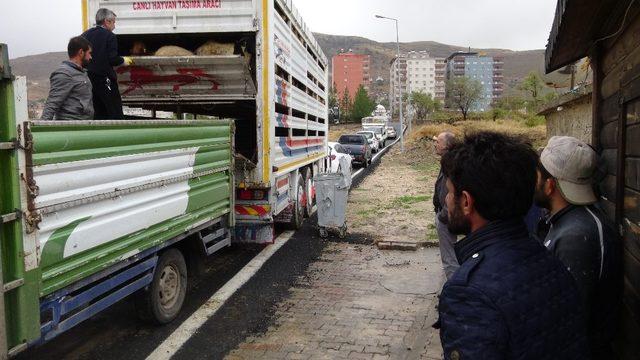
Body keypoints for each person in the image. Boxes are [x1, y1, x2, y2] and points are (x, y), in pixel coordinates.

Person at [436, 132, 588, 359]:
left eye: (449, 192)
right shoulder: (547, 257)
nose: (447, 200)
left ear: (466, 202)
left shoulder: (469, 293)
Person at [535, 136, 622, 359]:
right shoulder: (572, 221)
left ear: (550, 185)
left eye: (537, 176)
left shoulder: (575, 236)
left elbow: (566, 320)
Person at [82, 8, 133, 119]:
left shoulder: (85, 34)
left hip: (88, 79)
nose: (114, 25)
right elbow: (112, 59)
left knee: (97, 110)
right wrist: (123, 61)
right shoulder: (110, 36)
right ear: (107, 21)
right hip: (105, 79)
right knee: (114, 111)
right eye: (113, 22)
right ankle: (119, 133)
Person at [41, 36, 94, 120]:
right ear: (81, 52)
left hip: (83, 125)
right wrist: (42, 129)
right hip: (71, 127)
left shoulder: (81, 72)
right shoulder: (64, 74)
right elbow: (52, 103)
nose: (90, 57)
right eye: (89, 53)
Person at [432, 132, 459, 279]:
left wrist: (443, 215)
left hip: (447, 216)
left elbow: (453, 192)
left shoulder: (452, 163)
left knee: (449, 259)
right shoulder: (448, 161)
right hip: (444, 213)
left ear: (447, 145)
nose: (436, 144)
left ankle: (455, 294)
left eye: (439, 141)